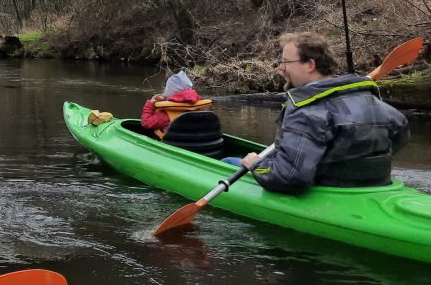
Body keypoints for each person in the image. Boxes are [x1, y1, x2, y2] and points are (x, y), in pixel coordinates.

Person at [236, 32, 409, 193]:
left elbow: (288, 177)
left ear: (310, 64)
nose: (281, 68)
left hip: (329, 191)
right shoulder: (368, 98)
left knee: (230, 162)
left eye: (286, 62)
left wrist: (256, 164)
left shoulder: (307, 111)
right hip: (376, 187)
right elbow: (401, 131)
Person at [141, 70, 203, 140]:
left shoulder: (166, 115)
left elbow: (146, 122)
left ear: (169, 91)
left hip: (174, 146)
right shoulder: (195, 108)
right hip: (194, 143)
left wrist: (150, 104)